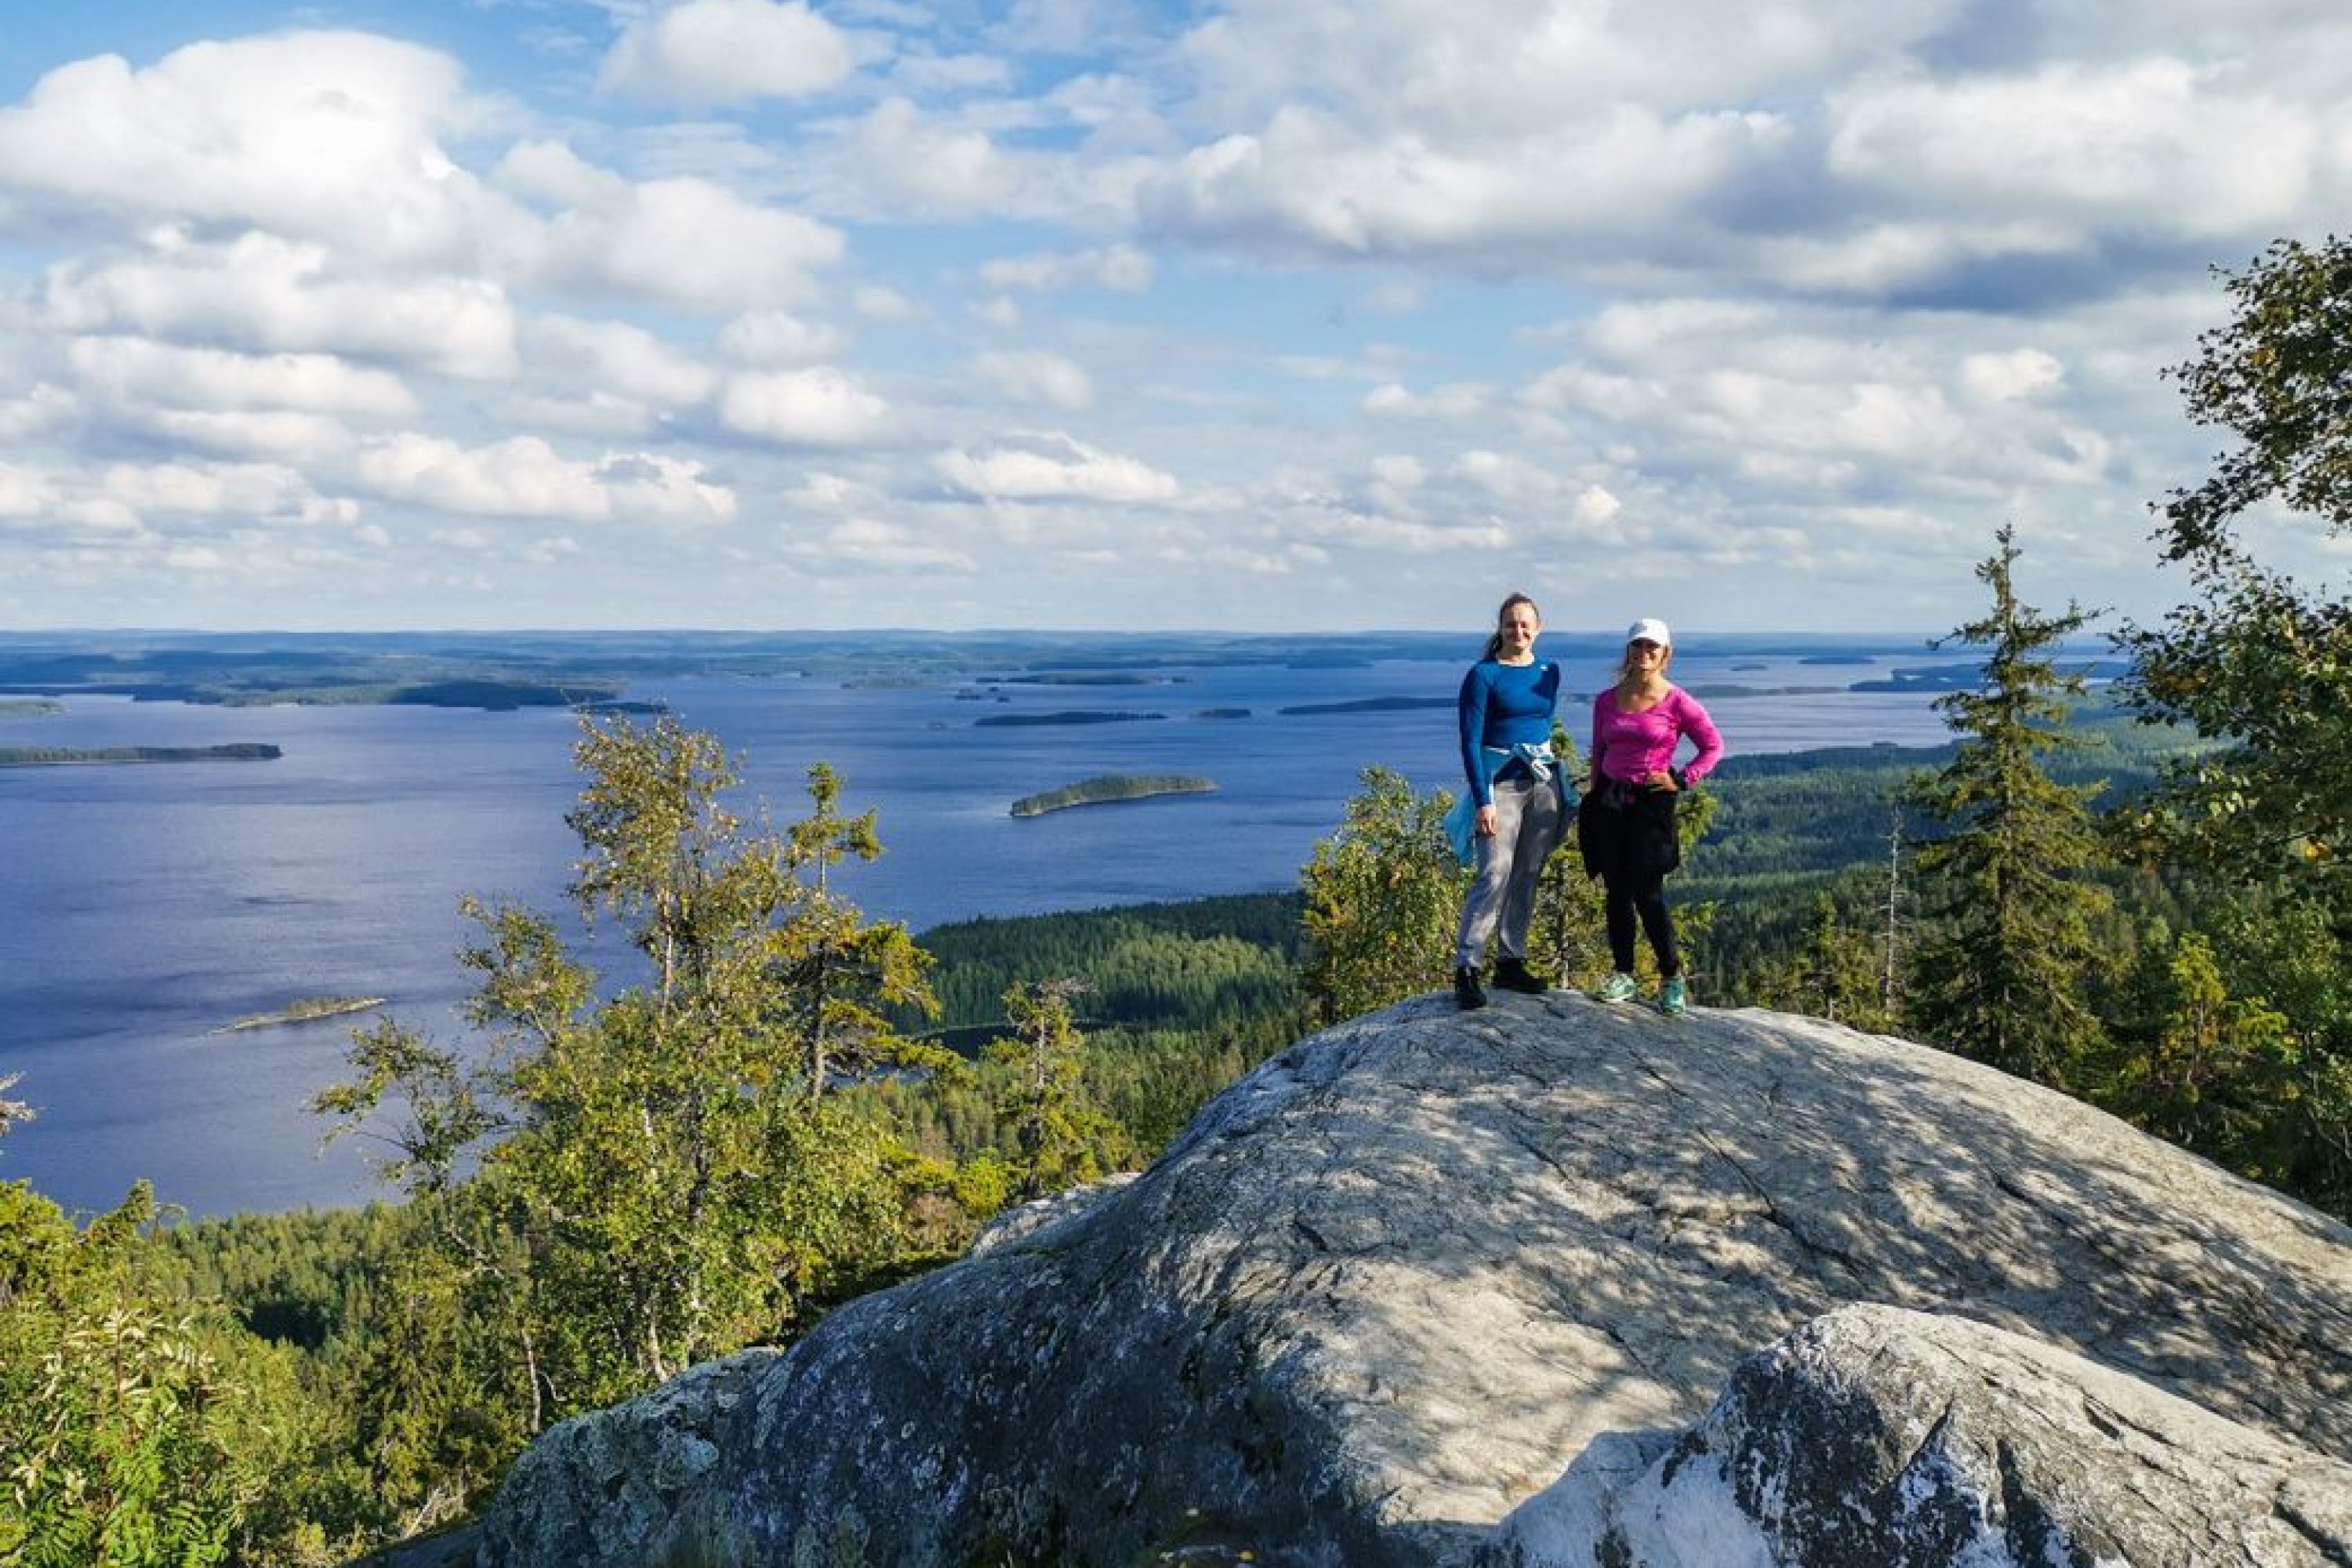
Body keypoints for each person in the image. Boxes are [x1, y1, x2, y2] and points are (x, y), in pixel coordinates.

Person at [1578, 617, 1722, 1016]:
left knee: (1649, 893)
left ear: (1665, 655)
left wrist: (1683, 779)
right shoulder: (1607, 700)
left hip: (1650, 804)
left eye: (1652, 648)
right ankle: (1623, 973)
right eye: (1637, 646)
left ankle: (1671, 977)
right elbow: (1600, 752)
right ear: (1628, 651)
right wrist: (1593, 800)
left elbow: (1712, 746)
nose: (1644, 654)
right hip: (1610, 801)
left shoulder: (1678, 702)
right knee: (1616, 893)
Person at [1447, 592, 1572, 1010]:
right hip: (1499, 787)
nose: (1517, 631)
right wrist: (1482, 800)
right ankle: (1468, 966)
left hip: (1542, 784)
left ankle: (1511, 960)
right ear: (1499, 629)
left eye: (1525, 624)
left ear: (1538, 628)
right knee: (1494, 873)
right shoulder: (1483, 675)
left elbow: (1541, 726)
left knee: (1527, 873)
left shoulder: (1548, 671)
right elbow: (1470, 741)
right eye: (1510, 624)